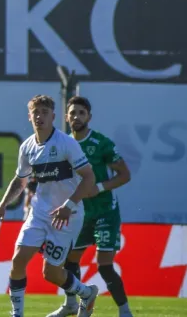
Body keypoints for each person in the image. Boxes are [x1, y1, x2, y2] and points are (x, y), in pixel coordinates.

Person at [0, 95, 98, 317]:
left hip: (68, 215)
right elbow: (20, 181)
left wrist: (69, 204)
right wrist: (1, 206)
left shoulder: (67, 143)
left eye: (44, 113)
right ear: (29, 116)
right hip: (39, 213)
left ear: (53, 117)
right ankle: (17, 314)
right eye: (35, 112)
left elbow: (89, 178)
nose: (39, 116)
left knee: (50, 273)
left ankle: (86, 293)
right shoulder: (27, 147)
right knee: (18, 260)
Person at [45, 96, 133, 317]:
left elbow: (125, 175)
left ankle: (125, 311)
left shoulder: (101, 143)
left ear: (89, 117)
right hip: (79, 212)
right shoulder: (62, 144)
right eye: (72, 113)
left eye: (81, 113)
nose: (76, 117)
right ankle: (71, 305)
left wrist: (100, 187)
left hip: (105, 211)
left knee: (104, 265)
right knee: (70, 261)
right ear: (66, 117)